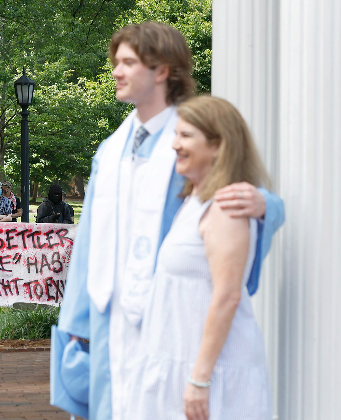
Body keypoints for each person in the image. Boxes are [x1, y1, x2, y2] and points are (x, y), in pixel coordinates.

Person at [52, 22, 284, 420]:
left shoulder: (189, 140)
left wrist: (266, 204)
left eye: (127, 62)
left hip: (170, 320)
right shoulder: (110, 150)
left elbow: (237, 189)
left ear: (161, 70)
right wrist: (76, 321)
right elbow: (89, 240)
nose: (115, 72)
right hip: (109, 317)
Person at [121, 96, 273, 419]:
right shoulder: (193, 203)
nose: (175, 144)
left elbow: (228, 296)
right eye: (175, 134)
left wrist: (199, 379)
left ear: (218, 145)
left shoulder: (225, 210)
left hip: (211, 376)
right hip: (177, 364)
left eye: (186, 135)